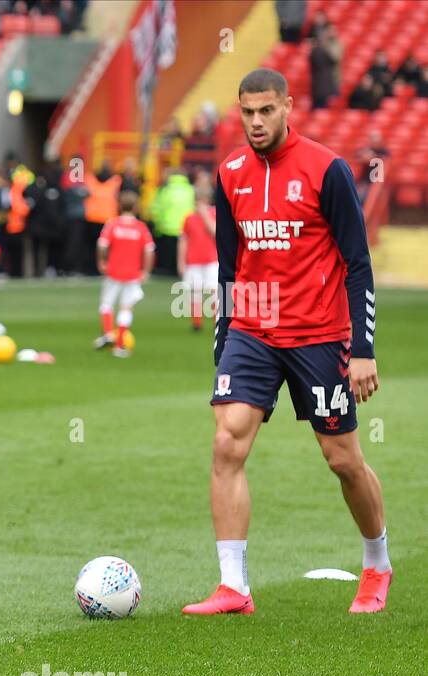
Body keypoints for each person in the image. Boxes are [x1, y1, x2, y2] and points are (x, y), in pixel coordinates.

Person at [185, 68, 388, 616]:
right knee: (227, 442)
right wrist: (225, 336)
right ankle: (234, 586)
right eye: (247, 112)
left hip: (320, 334)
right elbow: (230, 266)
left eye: (266, 111)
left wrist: (363, 349)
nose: (255, 122)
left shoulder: (328, 170)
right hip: (252, 328)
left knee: (342, 458)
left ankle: (377, 564)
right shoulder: (230, 173)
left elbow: (358, 263)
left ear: (287, 106)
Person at [93, 190, 154, 358]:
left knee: (106, 304)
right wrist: (146, 270)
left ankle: (107, 333)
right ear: (136, 207)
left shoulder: (112, 224)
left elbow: (102, 245)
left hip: (114, 271)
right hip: (132, 274)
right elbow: (149, 250)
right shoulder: (141, 227)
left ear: (119, 205)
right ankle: (120, 345)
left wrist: (102, 262)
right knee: (126, 308)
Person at [178, 176, 217, 333]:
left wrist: (205, 215)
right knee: (195, 292)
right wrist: (181, 261)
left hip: (211, 259)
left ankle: (217, 321)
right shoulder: (189, 217)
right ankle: (196, 324)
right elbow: (183, 240)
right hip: (193, 260)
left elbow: (216, 233)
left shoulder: (214, 214)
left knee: (215, 290)